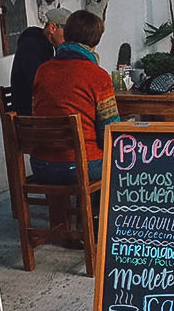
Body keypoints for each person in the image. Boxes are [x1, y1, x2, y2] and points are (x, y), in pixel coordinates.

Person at [30, 10, 120, 182]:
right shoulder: (98, 76)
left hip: (41, 165)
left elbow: (36, 113)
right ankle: (95, 208)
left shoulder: (42, 71)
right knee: (122, 160)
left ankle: (58, 210)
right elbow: (110, 131)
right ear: (95, 41)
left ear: (68, 33)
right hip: (81, 165)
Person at [9, 7, 70, 115]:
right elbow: (40, 84)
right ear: (52, 28)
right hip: (29, 117)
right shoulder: (31, 46)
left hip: (40, 110)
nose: (69, 39)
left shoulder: (45, 46)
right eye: (67, 33)